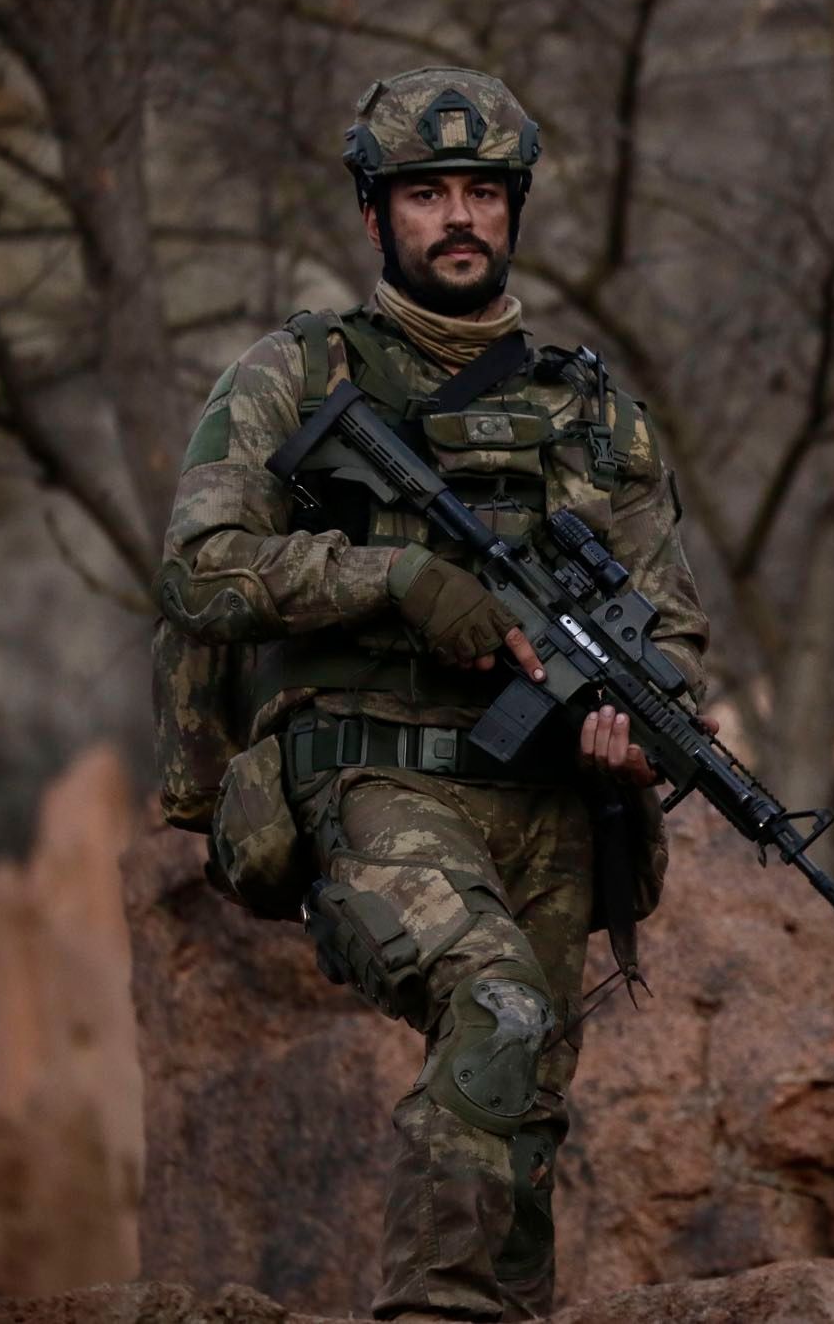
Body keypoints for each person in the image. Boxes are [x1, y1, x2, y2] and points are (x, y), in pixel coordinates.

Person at [156, 66, 709, 1321]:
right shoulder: (295, 375)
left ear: (513, 207)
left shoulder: (595, 414)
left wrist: (644, 727)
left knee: (526, 1100)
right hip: (370, 773)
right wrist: (397, 578)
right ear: (374, 214)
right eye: (425, 193)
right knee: (497, 1006)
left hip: (549, 800)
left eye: (481, 191)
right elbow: (199, 568)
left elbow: (670, 624)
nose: (458, 217)